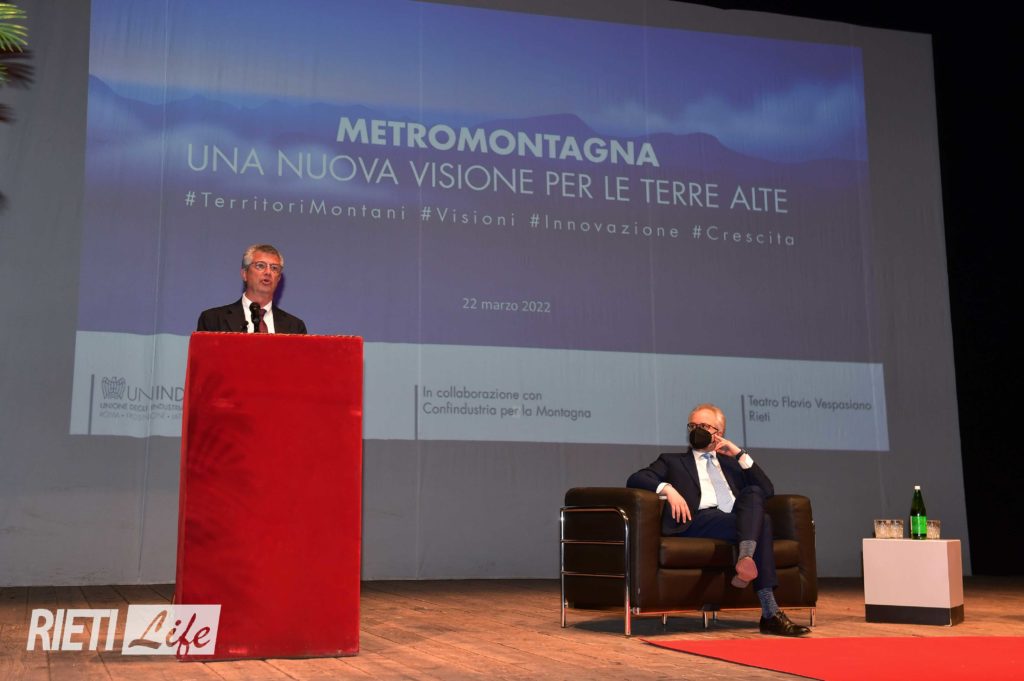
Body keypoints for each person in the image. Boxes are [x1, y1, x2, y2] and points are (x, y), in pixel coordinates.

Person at [626, 403, 810, 637]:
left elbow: (766, 490)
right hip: (698, 520)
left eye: (703, 426)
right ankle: (770, 612)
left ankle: (746, 557)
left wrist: (740, 454)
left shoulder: (732, 465)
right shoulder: (672, 461)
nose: (696, 430)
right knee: (761, 522)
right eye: (692, 425)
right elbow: (636, 478)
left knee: (754, 495)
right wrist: (668, 489)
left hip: (734, 521)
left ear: (718, 433)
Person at [197, 243, 307, 334]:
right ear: (244, 274)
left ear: (278, 278)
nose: (268, 272)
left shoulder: (295, 327)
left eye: (274, 268)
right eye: (260, 265)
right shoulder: (213, 320)